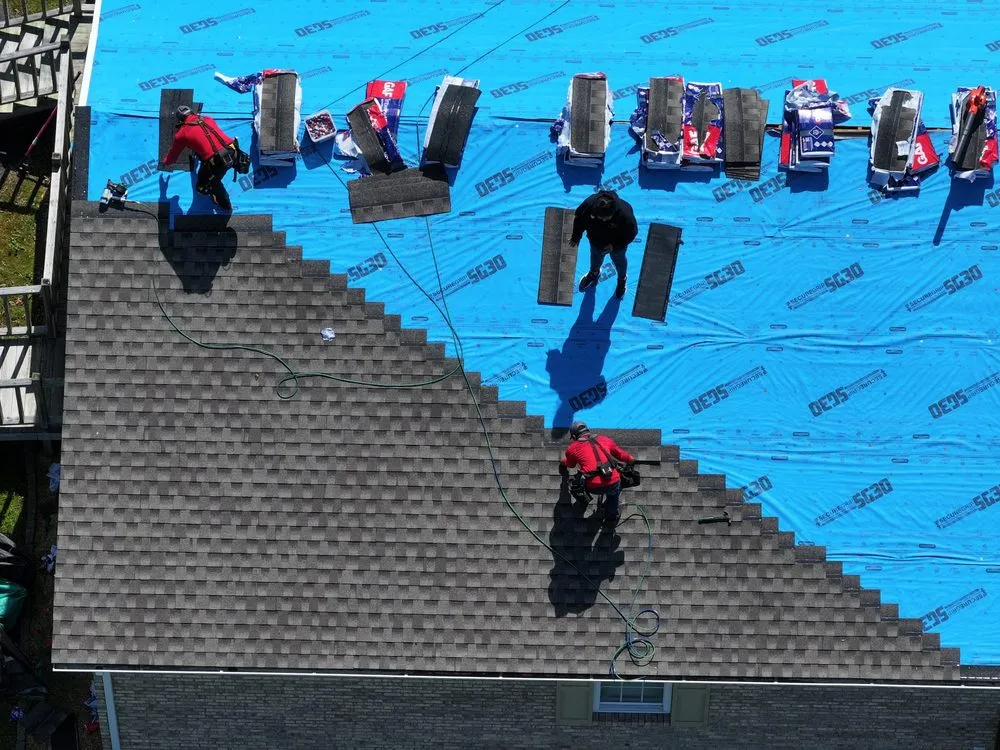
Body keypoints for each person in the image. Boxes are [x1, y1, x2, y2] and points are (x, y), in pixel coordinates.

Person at [558, 421, 635, 527]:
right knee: (614, 492)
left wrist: (563, 462)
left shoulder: (572, 448)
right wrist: (630, 459)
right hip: (612, 482)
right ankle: (611, 517)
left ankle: (583, 500)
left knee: (577, 481)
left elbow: (570, 465)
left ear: (574, 436)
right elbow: (621, 455)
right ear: (587, 430)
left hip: (591, 487)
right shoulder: (605, 440)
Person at [160, 105, 237, 210]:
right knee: (211, 167)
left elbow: (172, 157)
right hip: (233, 151)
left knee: (203, 186)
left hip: (217, 162)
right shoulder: (208, 119)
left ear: (180, 120)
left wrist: (164, 162)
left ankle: (226, 204)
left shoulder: (182, 134)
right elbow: (207, 137)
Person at [569, 190, 638, 300]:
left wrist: (614, 246)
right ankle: (594, 273)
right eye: (599, 217)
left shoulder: (625, 214)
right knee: (595, 259)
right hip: (596, 242)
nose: (602, 219)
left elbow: (631, 233)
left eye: (605, 218)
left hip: (616, 246)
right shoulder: (589, 205)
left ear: (613, 212)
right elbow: (579, 220)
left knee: (619, 262)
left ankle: (622, 280)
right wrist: (576, 236)